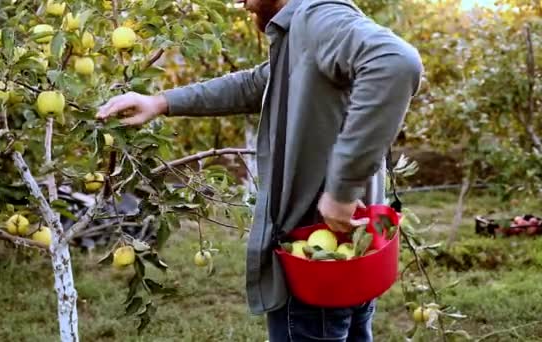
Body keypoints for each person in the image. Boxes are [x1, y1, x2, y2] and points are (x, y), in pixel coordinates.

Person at [96, 0, 423, 340]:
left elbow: (396, 63)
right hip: (348, 257)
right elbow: (256, 84)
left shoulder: (317, 16)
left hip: (317, 264)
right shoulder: (301, 30)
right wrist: (161, 102)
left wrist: (343, 189)